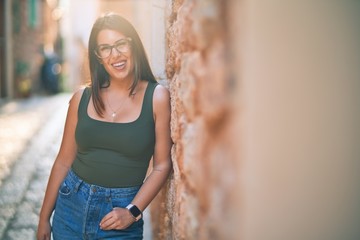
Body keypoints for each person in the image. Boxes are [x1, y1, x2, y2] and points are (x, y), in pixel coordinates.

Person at [37, 12, 172, 240]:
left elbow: (162, 165)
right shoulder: (82, 98)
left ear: (134, 46)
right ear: (98, 56)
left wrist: (132, 211)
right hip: (70, 208)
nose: (115, 54)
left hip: (119, 215)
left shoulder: (157, 97)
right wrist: (43, 219)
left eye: (121, 44)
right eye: (105, 48)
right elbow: (62, 161)